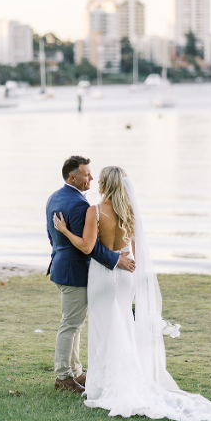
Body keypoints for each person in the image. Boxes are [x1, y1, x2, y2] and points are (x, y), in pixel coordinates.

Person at [53, 165, 211, 421]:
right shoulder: (130, 213)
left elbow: (88, 247)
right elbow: (135, 251)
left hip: (102, 276)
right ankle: (123, 379)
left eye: (100, 180)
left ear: (107, 184)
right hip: (126, 277)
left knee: (102, 327)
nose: (97, 183)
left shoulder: (95, 211)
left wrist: (65, 230)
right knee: (123, 323)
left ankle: (102, 386)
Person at [46, 156, 135, 394]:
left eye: (93, 174)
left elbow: (53, 236)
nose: (91, 178)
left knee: (77, 323)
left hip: (62, 266)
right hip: (75, 271)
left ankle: (76, 371)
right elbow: (90, 246)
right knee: (72, 323)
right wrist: (118, 259)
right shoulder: (81, 206)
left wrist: (60, 247)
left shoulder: (54, 197)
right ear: (72, 177)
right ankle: (64, 376)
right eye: (86, 174)